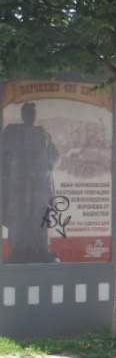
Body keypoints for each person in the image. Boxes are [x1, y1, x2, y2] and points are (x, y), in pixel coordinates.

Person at [1, 102, 60, 263]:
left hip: (40, 185)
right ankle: (19, 250)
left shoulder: (43, 134)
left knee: (40, 215)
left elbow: (55, 155)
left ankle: (41, 248)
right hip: (19, 185)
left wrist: (50, 164)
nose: (30, 116)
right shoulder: (12, 132)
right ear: (23, 114)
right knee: (18, 216)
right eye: (28, 112)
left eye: (33, 112)